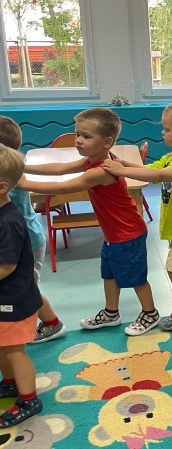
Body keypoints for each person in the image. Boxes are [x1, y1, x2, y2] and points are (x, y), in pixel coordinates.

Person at [20, 108, 159, 336]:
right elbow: (59, 168)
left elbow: (63, 187)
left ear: (107, 142)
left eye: (86, 136)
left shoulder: (101, 170)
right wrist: (22, 167)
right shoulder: (91, 160)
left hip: (128, 233)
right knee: (109, 275)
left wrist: (23, 184)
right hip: (113, 234)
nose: (78, 140)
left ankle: (150, 313)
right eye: (77, 134)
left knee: (136, 278)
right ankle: (111, 313)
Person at [103, 100, 172, 330]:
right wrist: (123, 163)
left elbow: (160, 176)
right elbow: (152, 169)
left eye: (167, 129)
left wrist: (122, 171)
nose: (162, 132)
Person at [0, 116, 65, 343]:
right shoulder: (12, 168)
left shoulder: (13, 175)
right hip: (18, 239)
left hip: (28, 240)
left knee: (28, 289)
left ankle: (52, 323)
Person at [0, 143, 44, 428]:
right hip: (5, 297)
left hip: (13, 299)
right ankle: (10, 382)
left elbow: (7, 266)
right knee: (3, 345)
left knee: (15, 350)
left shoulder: (8, 222)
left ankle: (29, 399)